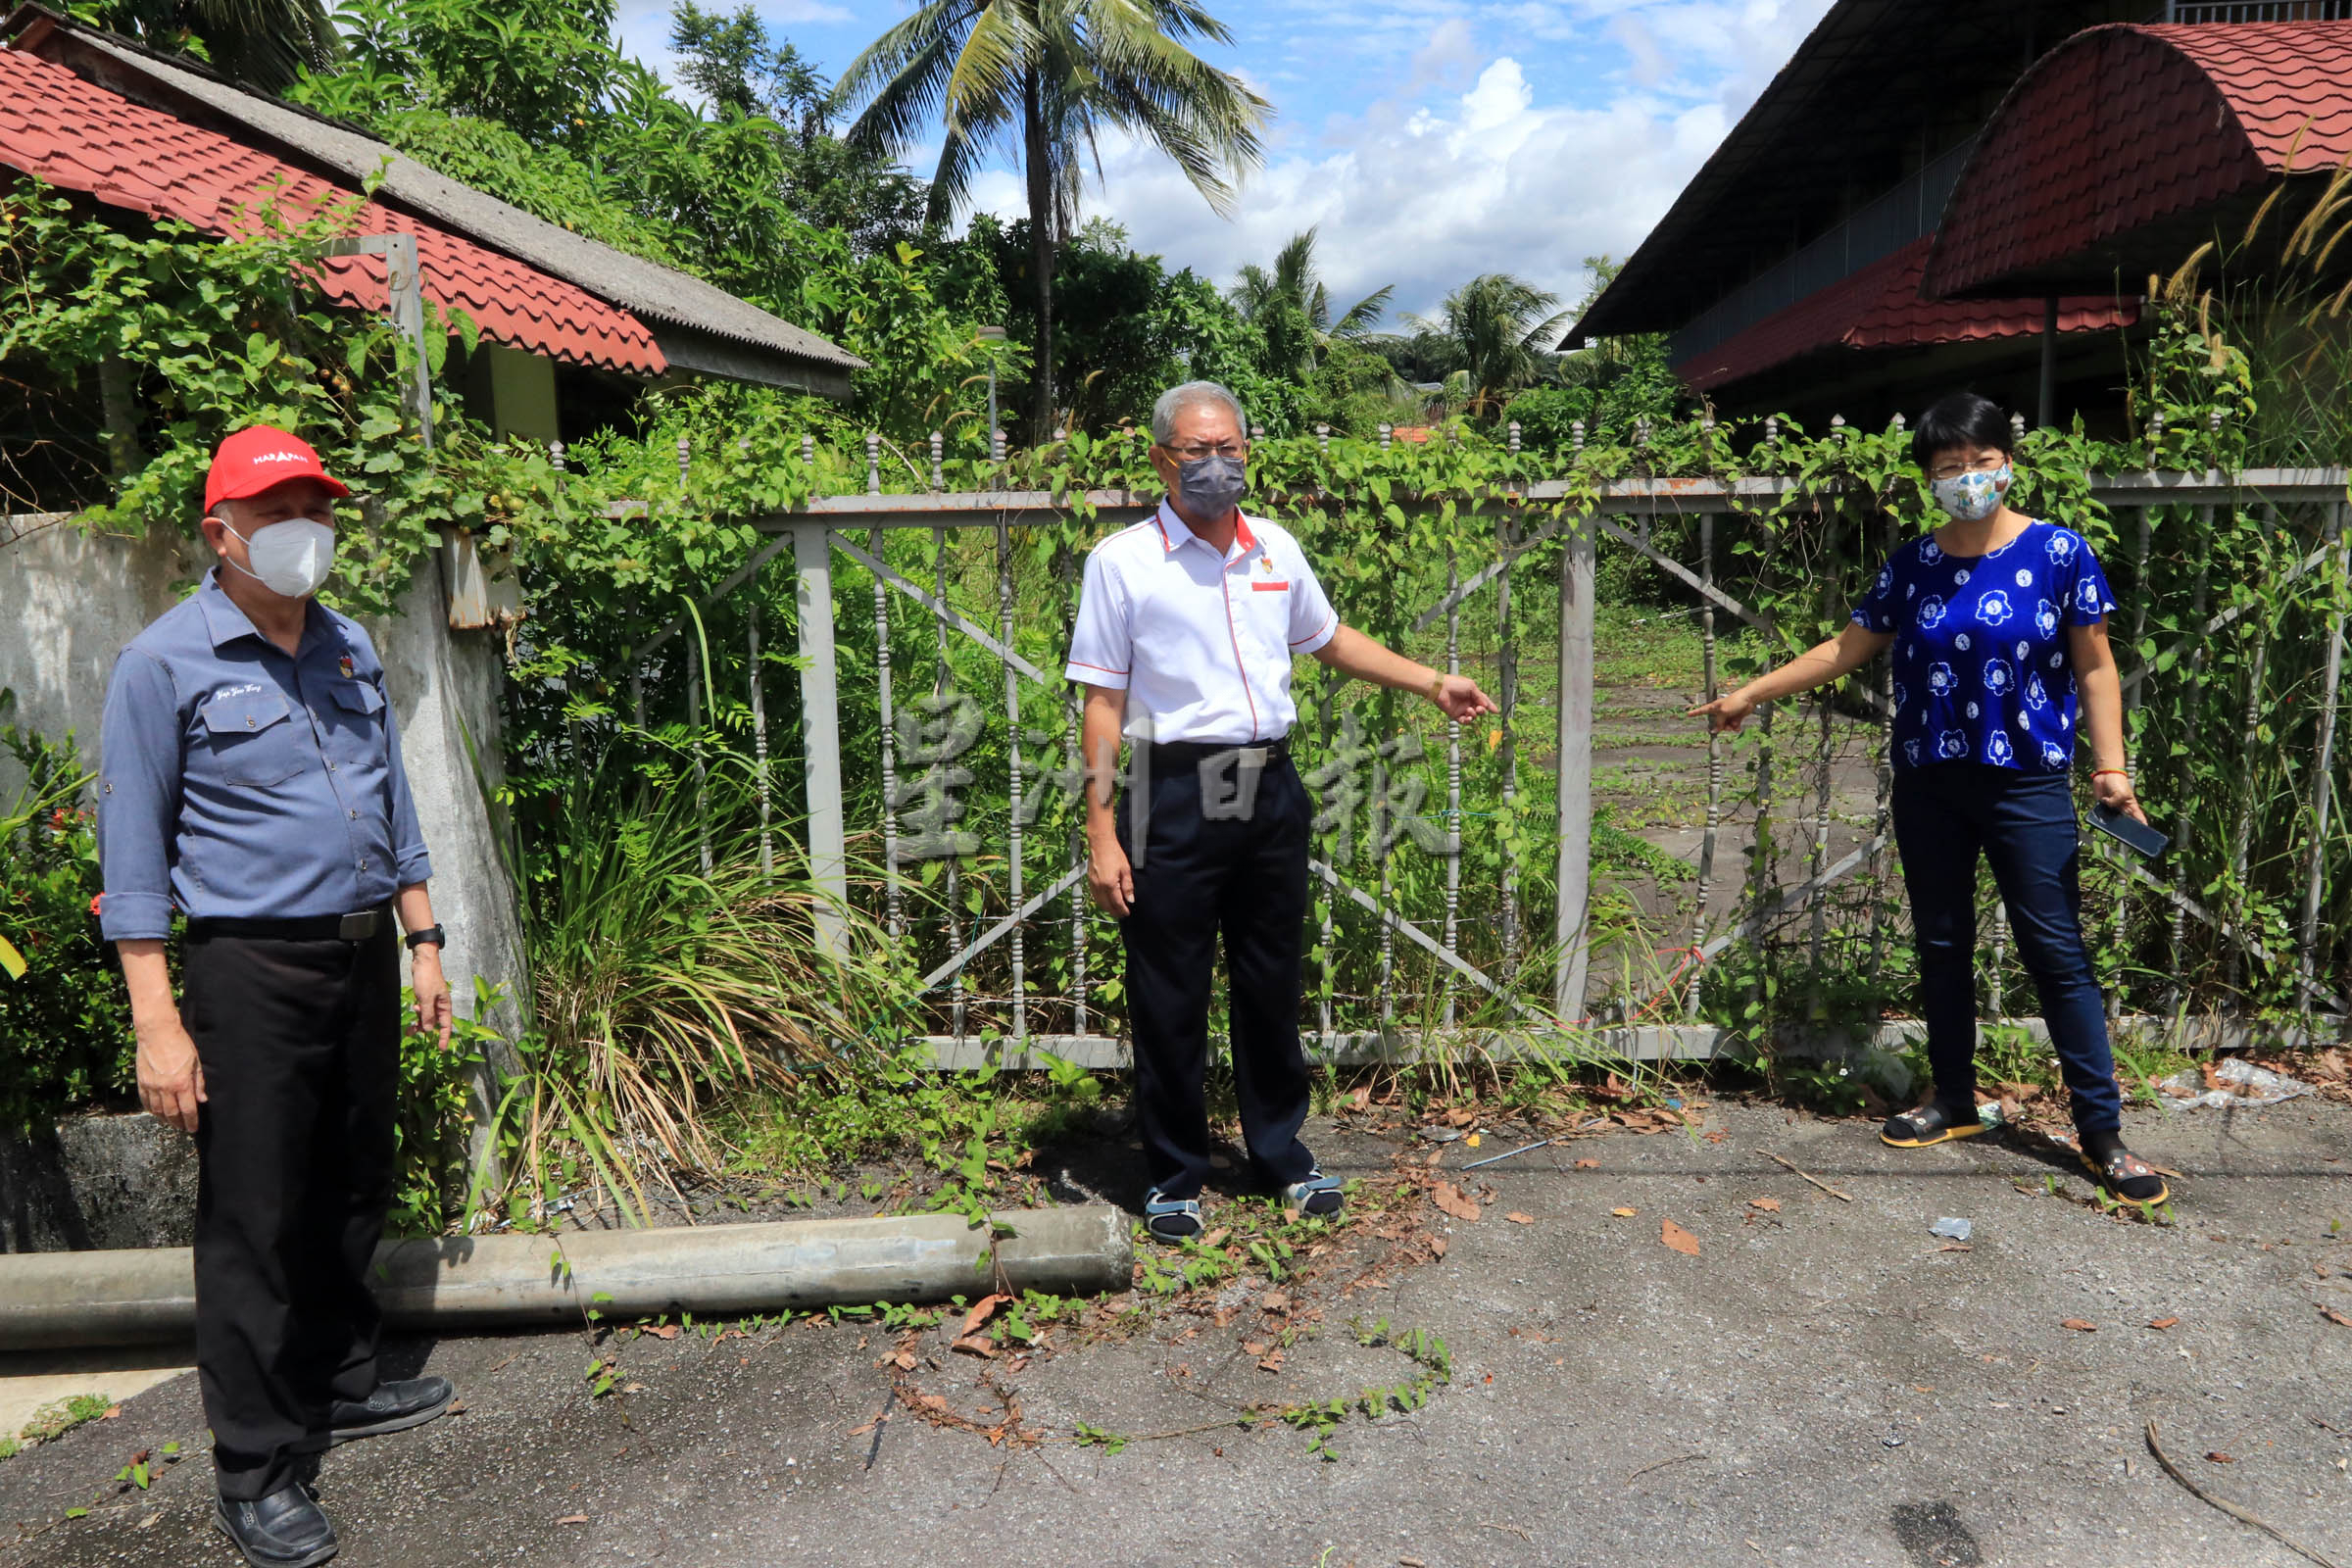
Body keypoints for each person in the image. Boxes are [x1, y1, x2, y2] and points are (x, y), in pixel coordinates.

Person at [98, 426, 459, 1568]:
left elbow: (392, 803)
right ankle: (253, 1465)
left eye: (318, 504)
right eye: (281, 509)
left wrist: (426, 942)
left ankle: (337, 1380)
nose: (308, 528)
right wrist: (157, 1017)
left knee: (356, 1172)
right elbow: (134, 853)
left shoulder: (347, 645)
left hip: (363, 960)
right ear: (223, 532)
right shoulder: (164, 663)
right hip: (250, 968)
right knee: (253, 1213)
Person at [1687, 391, 2168, 1204]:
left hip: (2028, 781)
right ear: (1929, 479)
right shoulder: (1912, 566)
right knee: (1942, 945)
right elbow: (1847, 647)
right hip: (1932, 781)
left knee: (2056, 951)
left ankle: (2103, 1132)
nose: (1969, 478)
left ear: (2008, 464)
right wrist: (1750, 693)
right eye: (1951, 468)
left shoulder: (2059, 553)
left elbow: (2096, 667)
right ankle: (1954, 1100)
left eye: (1981, 462)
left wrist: (2111, 768)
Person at [1066, 381, 1497, 1242]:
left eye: (1230, 448)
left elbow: (1329, 641)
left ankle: (1279, 1153)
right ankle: (1176, 1173)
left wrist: (1431, 680)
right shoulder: (1122, 563)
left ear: (1248, 455)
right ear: (1161, 459)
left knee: (1269, 981)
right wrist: (1102, 829)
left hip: (1268, 786)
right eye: (1197, 451)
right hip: (1172, 790)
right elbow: (1102, 702)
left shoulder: (1276, 551)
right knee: (1170, 990)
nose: (1216, 465)